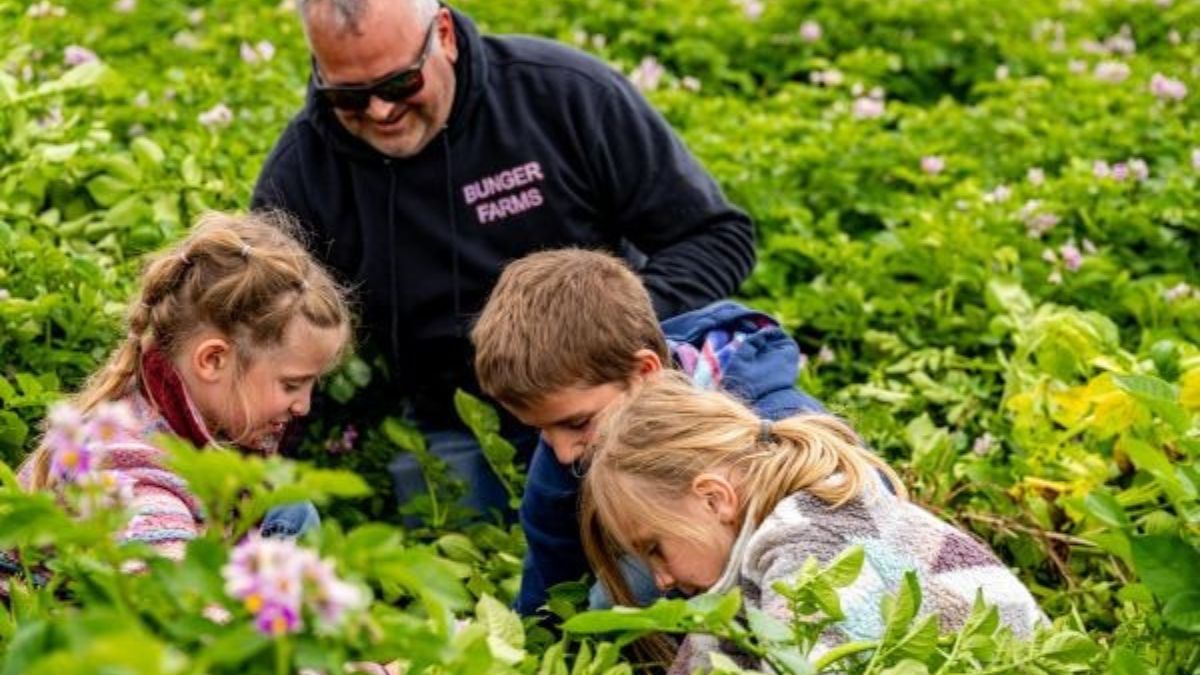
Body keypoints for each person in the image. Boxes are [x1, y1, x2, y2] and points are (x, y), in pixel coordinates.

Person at [250, 0, 756, 516]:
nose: (381, 110)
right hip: (457, 421)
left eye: (400, 84)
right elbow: (262, 337)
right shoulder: (304, 171)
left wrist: (604, 333)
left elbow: (717, 236)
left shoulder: (563, 94)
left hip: (603, 398)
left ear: (442, 35)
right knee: (462, 551)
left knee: (663, 548)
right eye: (348, 96)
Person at [580, 373, 1046, 672]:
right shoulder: (752, 560)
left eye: (655, 547)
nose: (659, 579)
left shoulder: (815, 541)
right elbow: (709, 657)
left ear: (714, 499)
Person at [470, 248, 824, 615]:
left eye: (577, 423)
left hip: (790, 577)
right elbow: (547, 592)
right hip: (690, 588)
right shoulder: (567, 458)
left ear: (644, 372)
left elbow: (855, 509)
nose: (562, 453)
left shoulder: (770, 418)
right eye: (541, 430)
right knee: (608, 603)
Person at [14, 210, 352, 560]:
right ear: (213, 361)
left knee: (290, 511)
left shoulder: (169, 401)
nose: (304, 406)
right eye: (292, 384)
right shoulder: (139, 485)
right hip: (76, 605)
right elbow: (171, 608)